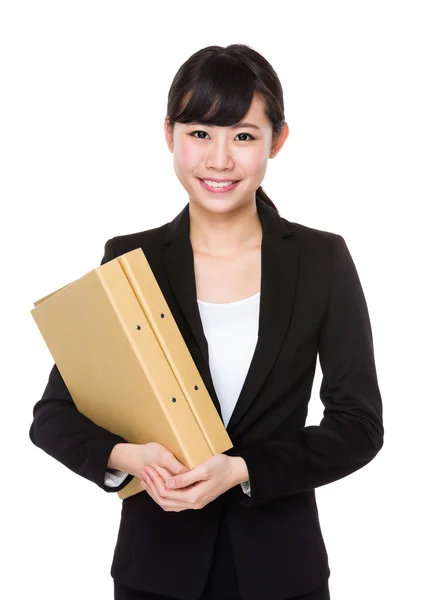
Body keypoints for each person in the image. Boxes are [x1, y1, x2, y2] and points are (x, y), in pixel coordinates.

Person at [29, 44, 384, 600]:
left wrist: (244, 469)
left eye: (243, 135)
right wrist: (133, 461)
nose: (219, 159)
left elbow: (358, 427)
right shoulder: (131, 260)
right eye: (199, 133)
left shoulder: (321, 260)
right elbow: (53, 416)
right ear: (169, 134)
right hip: (156, 573)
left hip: (283, 573)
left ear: (278, 141)